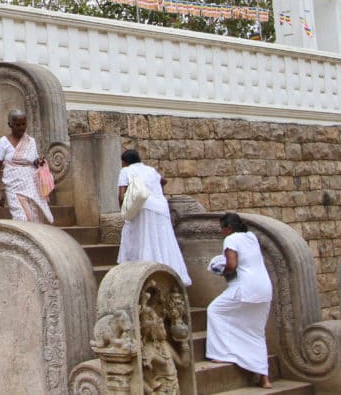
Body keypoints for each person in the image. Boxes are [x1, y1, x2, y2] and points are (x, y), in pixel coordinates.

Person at [206, 212, 274, 389]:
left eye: (222, 229)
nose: (221, 233)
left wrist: (220, 270)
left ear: (228, 228)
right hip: (265, 288)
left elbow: (232, 265)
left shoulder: (231, 239)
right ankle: (264, 378)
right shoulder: (251, 237)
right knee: (256, 331)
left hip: (246, 287)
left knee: (214, 310)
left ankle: (223, 353)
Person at [116, 149, 191, 285]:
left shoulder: (126, 171)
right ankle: (170, 275)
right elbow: (163, 181)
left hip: (142, 207)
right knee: (162, 241)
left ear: (125, 162)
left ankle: (143, 275)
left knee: (142, 239)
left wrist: (125, 211)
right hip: (161, 207)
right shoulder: (150, 170)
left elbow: (121, 196)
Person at [0, 109, 53, 224]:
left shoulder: (31, 141)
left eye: (24, 124)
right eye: (18, 125)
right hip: (13, 186)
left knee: (35, 217)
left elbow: (33, 162)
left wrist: (39, 162)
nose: (21, 127)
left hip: (31, 185)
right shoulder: (3, 142)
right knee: (21, 218)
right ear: (10, 124)